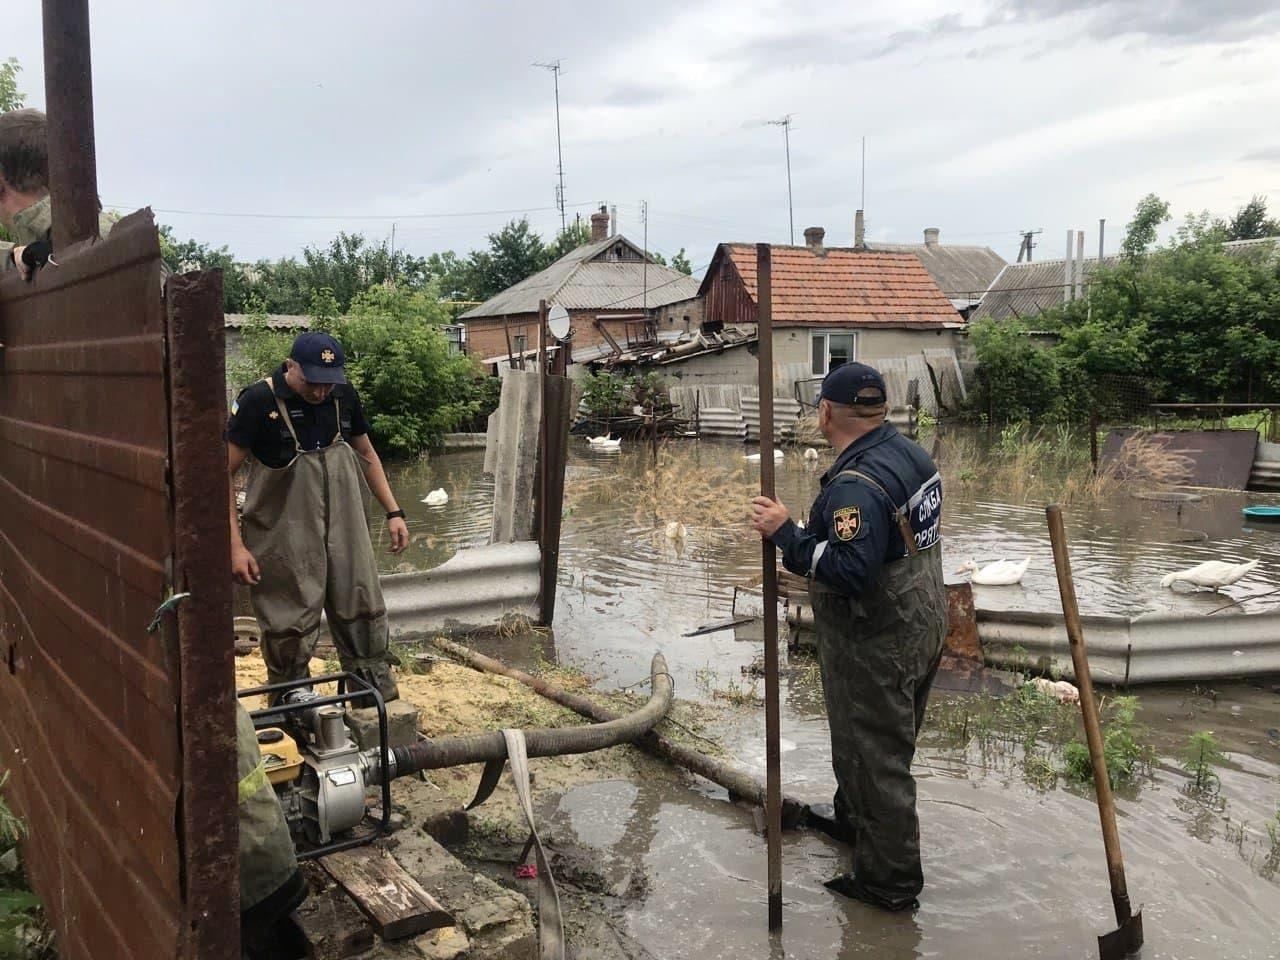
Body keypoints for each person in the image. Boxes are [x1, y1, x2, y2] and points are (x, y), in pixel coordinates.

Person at [749, 362, 946, 912]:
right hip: (922, 620)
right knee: (868, 746)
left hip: (878, 638)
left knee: (877, 756)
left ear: (827, 412)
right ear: (878, 410)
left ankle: (890, 886)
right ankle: (855, 825)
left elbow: (851, 570)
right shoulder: (911, 454)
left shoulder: (855, 485)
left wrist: (785, 533)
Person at [227, 333, 409, 702]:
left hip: (346, 528)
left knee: (362, 605)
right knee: (288, 622)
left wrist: (394, 511)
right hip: (283, 534)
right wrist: (235, 546)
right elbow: (220, 474)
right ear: (290, 366)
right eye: (312, 381)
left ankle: (371, 701)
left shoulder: (342, 395)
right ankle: (292, 703)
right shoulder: (258, 402)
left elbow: (368, 454)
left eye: (329, 383)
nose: (321, 391)